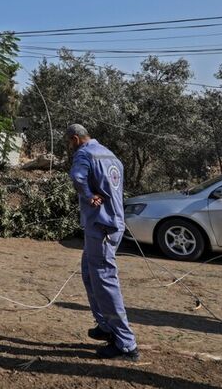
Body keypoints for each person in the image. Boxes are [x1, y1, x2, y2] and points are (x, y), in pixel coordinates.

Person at [67, 123, 139, 361]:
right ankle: (105, 325)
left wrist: (89, 196)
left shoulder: (84, 154)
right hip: (113, 223)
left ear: (76, 139)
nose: (70, 146)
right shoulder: (109, 154)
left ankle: (125, 343)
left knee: (105, 281)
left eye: (70, 142)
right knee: (89, 271)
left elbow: (77, 177)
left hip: (102, 226)